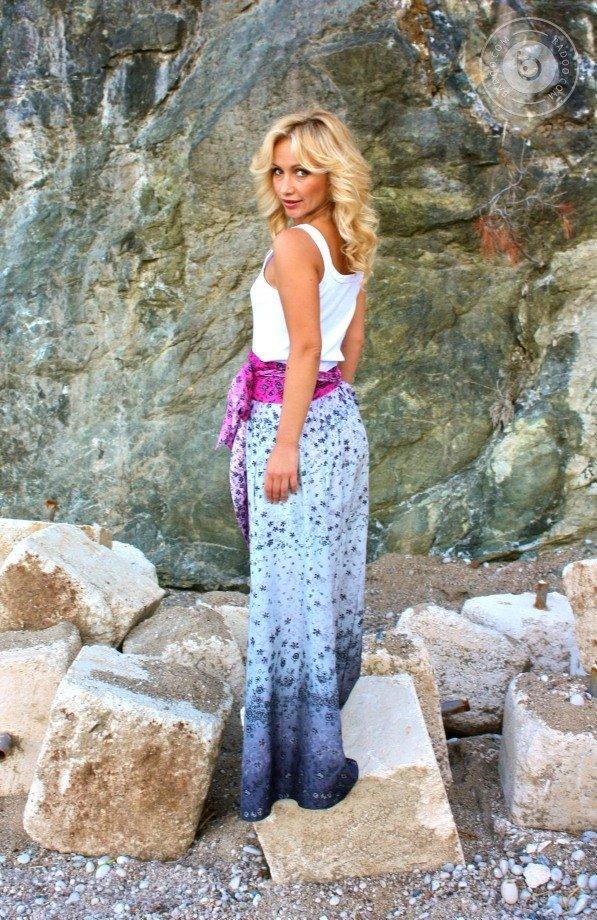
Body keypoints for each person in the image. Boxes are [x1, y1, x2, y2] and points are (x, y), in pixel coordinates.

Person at [215, 108, 378, 821]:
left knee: (287, 594)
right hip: (336, 419)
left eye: (302, 171)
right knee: (322, 581)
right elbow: (351, 344)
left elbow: (306, 348)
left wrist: (285, 443)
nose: (286, 185)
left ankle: (298, 768)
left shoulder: (292, 245)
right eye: (278, 170)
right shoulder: (348, 236)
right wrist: (328, 413)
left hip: (293, 427)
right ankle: (315, 731)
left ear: (330, 174)